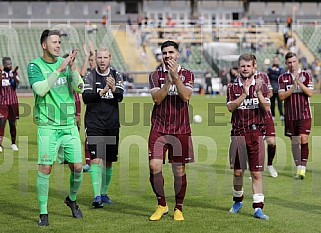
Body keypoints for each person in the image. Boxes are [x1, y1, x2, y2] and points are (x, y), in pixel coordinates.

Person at [27, 29, 84, 227]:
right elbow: (41, 90)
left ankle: (72, 199)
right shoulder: (34, 65)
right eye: (54, 42)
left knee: (77, 168)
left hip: (69, 126)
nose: (58, 45)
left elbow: (80, 88)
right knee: (45, 168)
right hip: (48, 127)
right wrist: (59, 69)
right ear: (44, 45)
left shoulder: (67, 66)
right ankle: (43, 213)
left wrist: (73, 66)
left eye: (59, 42)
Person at [148, 40, 194, 221]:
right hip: (159, 128)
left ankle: (179, 207)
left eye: (171, 53)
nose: (167, 56)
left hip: (181, 129)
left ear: (177, 54)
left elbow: (186, 96)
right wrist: (168, 80)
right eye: (164, 53)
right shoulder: (154, 75)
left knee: (179, 170)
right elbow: (157, 99)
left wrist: (176, 77)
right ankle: (162, 204)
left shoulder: (188, 74)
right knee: (154, 166)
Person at [227, 53, 270, 220]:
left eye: (248, 66)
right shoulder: (232, 87)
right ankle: (238, 200)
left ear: (254, 67)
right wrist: (244, 95)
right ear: (239, 68)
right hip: (238, 134)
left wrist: (258, 93)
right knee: (238, 172)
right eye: (242, 66)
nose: (245, 69)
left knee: (256, 173)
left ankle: (258, 208)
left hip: (256, 134)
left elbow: (266, 109)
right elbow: (230, 108)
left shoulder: (262, 85)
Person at [82, 47, 124, 208]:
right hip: (94, 124)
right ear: (96, 58)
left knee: (108, 161)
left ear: (110, 58)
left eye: (105, 57)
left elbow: (120, 96)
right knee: (96, 160)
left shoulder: (116, 75)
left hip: (111, 124)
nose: (102, 60)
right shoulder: (90, 75)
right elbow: (86, 98)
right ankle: (96, 196)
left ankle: (104, 193)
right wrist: (103, 91)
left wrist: (113, 89)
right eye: (99, 57)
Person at [278, 52, 313, 179]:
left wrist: (299, 83)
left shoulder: (306, 75)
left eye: (293, 61)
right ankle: (298, 166)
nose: (292, 64)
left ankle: (302, 168)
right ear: (286, 63)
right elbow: (281, 97)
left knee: (304, 139)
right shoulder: (282, 78)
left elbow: (309, 93)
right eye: (289, 62)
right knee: (294, 142)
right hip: (290, 115)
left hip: (304, 114)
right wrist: (293, 86)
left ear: (297, 61)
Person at [80, 42, 96, 172]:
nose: (91, 62)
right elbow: (81, 73)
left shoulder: (102, 73)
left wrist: (93, 53)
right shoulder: (89, 74)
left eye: (93, 60)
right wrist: (86, 56)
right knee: (88, 137)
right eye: (90, 60)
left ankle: (97, 162)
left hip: (102, 111)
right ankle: (88, 163)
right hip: (90, 110)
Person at [0, 57, 20, 152]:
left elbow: (16, 84)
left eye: (10, 63)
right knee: (1, 124)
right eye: (8, 64)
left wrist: (14, 75)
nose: (10, 65)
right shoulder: (1, 74)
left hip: (13, 103)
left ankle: (13, 143)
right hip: (2, 104)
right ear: (4, 65)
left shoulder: (13, 74)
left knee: (12, 124)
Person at [267, 56, 285, 120]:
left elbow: (280, 76)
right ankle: (273, 115)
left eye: (276, 60)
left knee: (280, 103)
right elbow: (268, 78)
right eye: (274, 60)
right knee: (272, 103)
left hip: (279, 89)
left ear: (278, 61)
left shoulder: (281, 69)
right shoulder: (269, 69)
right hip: (271, 88)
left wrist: (274, 72)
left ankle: (281, 115)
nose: (275, 61)